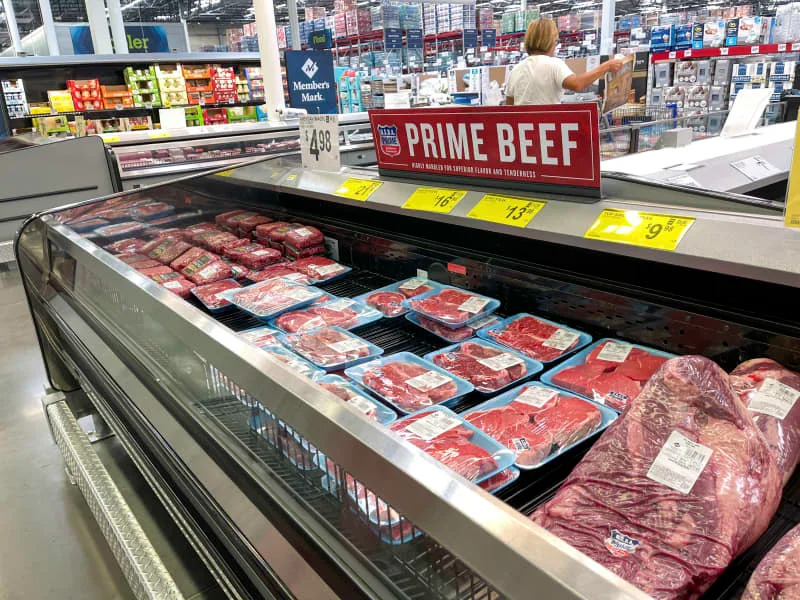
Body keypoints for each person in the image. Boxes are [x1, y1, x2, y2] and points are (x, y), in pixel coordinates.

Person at [506, 18, 624, 105]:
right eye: (555, 41)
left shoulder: (516, 70)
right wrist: (606, 66)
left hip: (522, 134)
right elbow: (577, 84)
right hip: (547, 130)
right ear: (550, 41)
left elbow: (509, 108)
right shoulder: (553, 64)